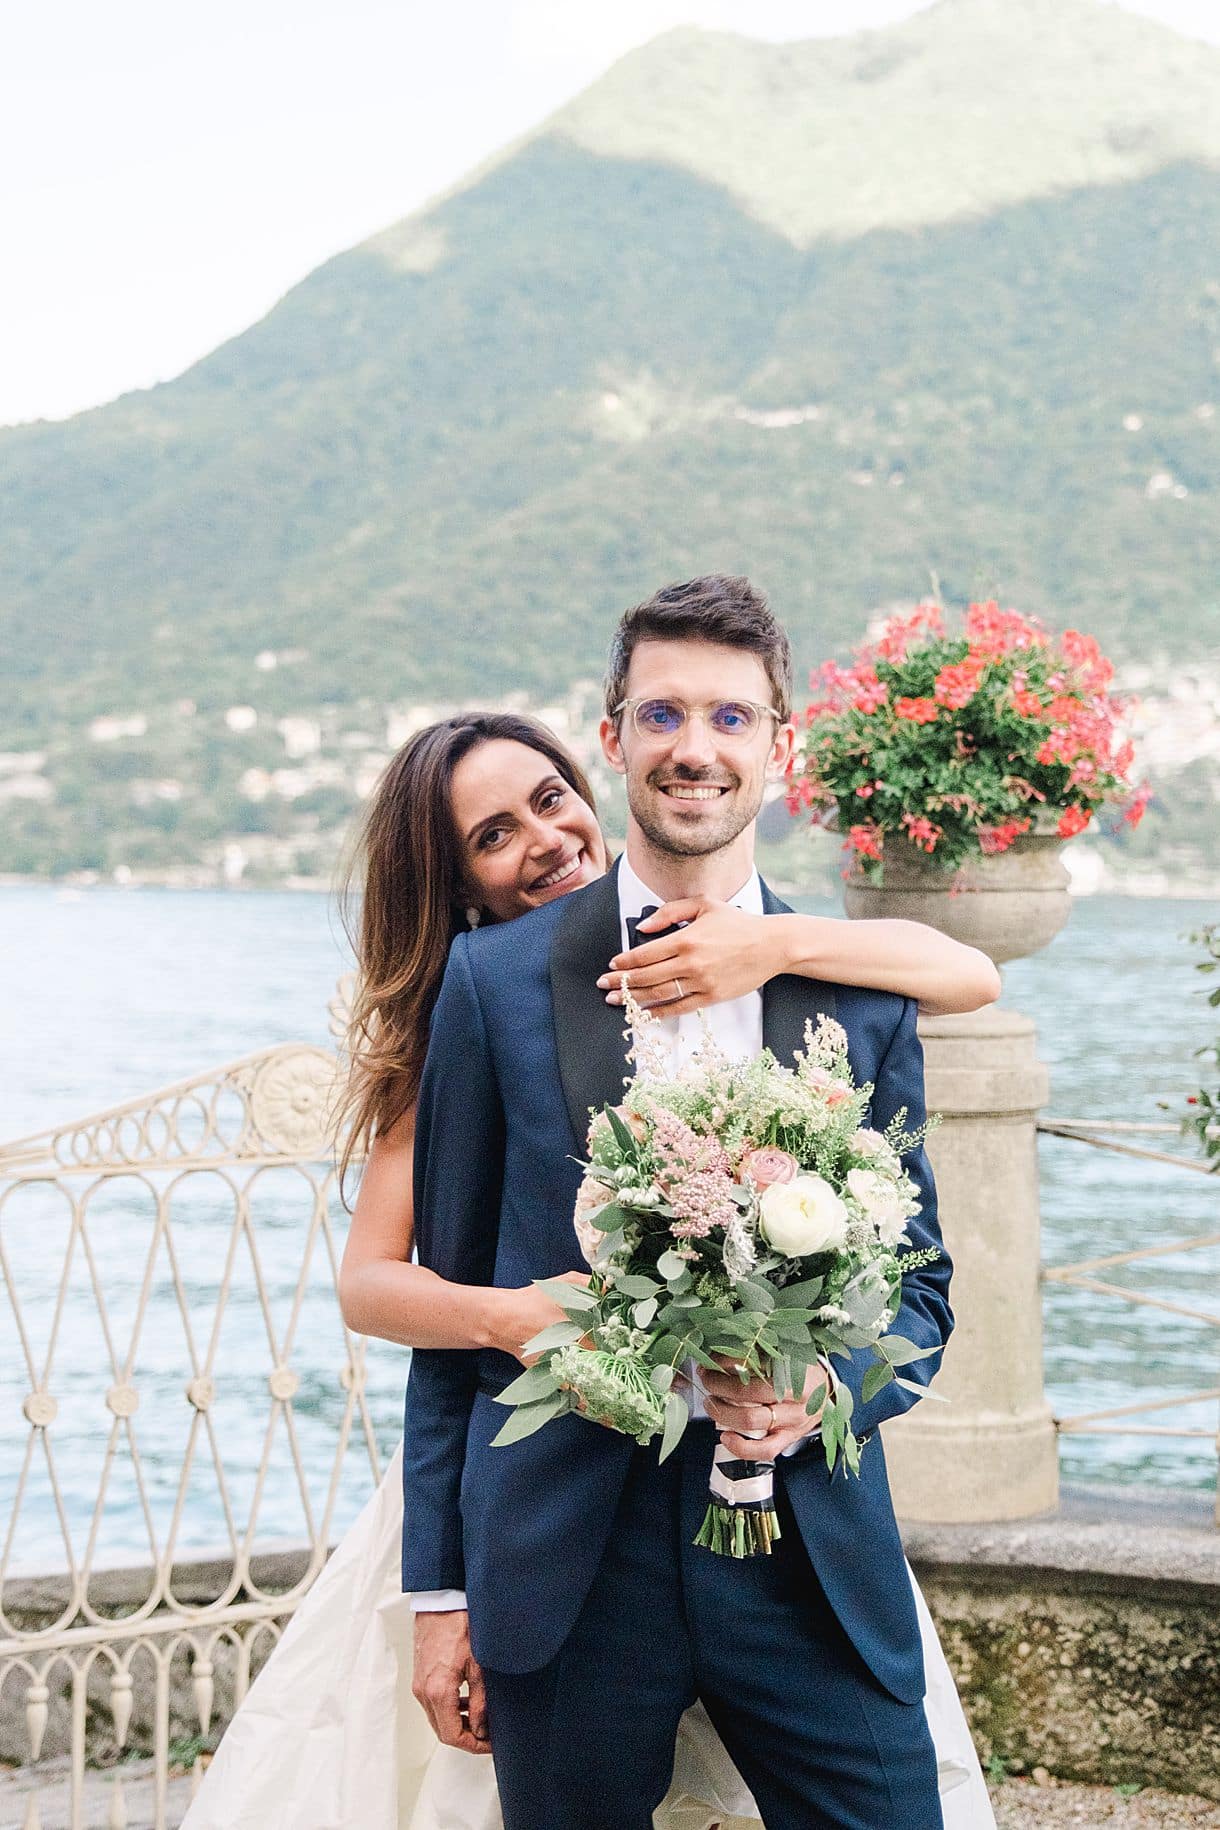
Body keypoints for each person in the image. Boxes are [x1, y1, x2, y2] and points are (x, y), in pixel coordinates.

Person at [184, 622, 999, 1828]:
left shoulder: (855, 988)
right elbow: (445, 1315)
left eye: (729, 718)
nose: (693, 748)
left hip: (807, 1566)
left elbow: (919, 1296)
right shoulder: (489, 985)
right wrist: (439, 1594)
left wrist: (824, 1390)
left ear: (782, 745)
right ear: (614, 737)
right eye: (661, 716)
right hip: (567, 1563)